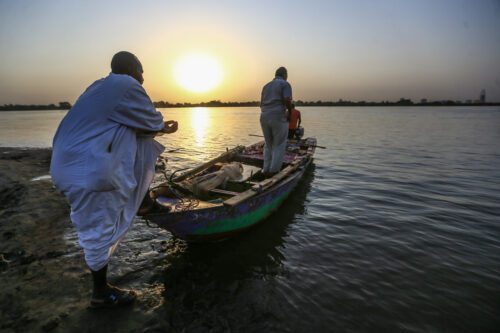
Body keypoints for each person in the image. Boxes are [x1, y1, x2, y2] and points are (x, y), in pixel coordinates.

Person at [50, 51, 178, 308]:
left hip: (67, 165)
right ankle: (101, 293)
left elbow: (131, 127)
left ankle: (143, 200)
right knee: (98, 228)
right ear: (133, 68)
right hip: (91, 171)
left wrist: (155, 129)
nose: (143, 78)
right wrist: (166, 127)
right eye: (141, 71)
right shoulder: (127, 85)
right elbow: (152, 123)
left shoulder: (97, 87)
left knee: (94, 222)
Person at [260, 66, 293, 177]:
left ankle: (265, 169)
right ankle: (273, 173)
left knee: (268, 145)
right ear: (284, 75)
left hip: (264, 116)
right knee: (279, 144)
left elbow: (261, 103)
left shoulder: (266, 86)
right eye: (287, 75)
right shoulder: (285, 84)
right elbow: (287, 99)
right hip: (278, 115)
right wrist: (290, 112)